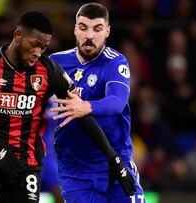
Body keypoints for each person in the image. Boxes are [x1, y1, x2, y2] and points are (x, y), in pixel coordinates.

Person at [0, 11, 135, 203]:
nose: (38, 53)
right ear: (17, 35)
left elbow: (80, 114)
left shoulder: (49, 70)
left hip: (26, 163)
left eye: (43, 48)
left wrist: (113, 158)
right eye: (34, 45)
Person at [49, 3, 144, 202]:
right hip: (76, 171)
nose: (89, 35)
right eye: (83, 28)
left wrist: (87, 106)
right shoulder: (55, 63)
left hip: (116, 163)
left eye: (97, 28)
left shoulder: (115, 62)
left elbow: (117, 102)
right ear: (75, 29)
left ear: (107, 31)